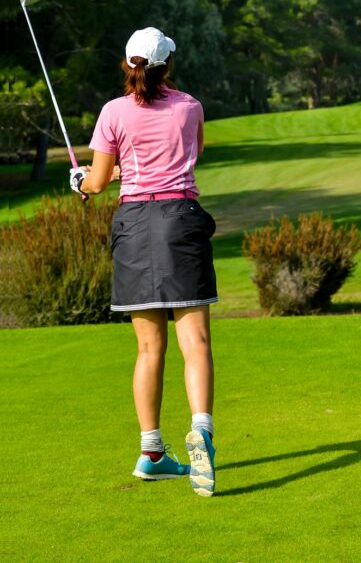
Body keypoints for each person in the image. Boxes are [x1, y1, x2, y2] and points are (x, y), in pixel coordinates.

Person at [74, 27, 218, 497]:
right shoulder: (190, 107)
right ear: (167, 64)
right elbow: (191, 152)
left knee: (149, 349)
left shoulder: (112, 112)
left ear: (127, 63)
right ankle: (202, 433)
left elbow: (96, 183)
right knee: (195, 342)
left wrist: (81, 181)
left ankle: (152, 453)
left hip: (135, 226)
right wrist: (122, 169)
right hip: (181, 220)